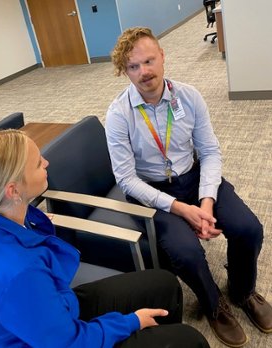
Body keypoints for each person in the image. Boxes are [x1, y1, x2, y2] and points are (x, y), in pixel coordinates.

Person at [0, 129, 209, 348]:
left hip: (46, 309)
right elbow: (67, 343)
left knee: (162, 283)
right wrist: (131, 323)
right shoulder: (16, 272)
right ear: (13, 190)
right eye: (37, 163)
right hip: (43, 337)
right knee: (189, 341)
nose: (46, 163)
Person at [105, 27, 272, 348]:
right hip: (150, 190)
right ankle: (213, 303)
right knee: (186, 252)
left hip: (194, 178)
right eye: (133, 67)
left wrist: (206, 202)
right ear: (124, 71)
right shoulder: (118, 115)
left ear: (162, 56)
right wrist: (181, 209)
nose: (144, 72)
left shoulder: (189, 97)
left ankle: (242, 291)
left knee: (248, 228)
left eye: (149, 61)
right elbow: (126, 179)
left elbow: (209, 152)